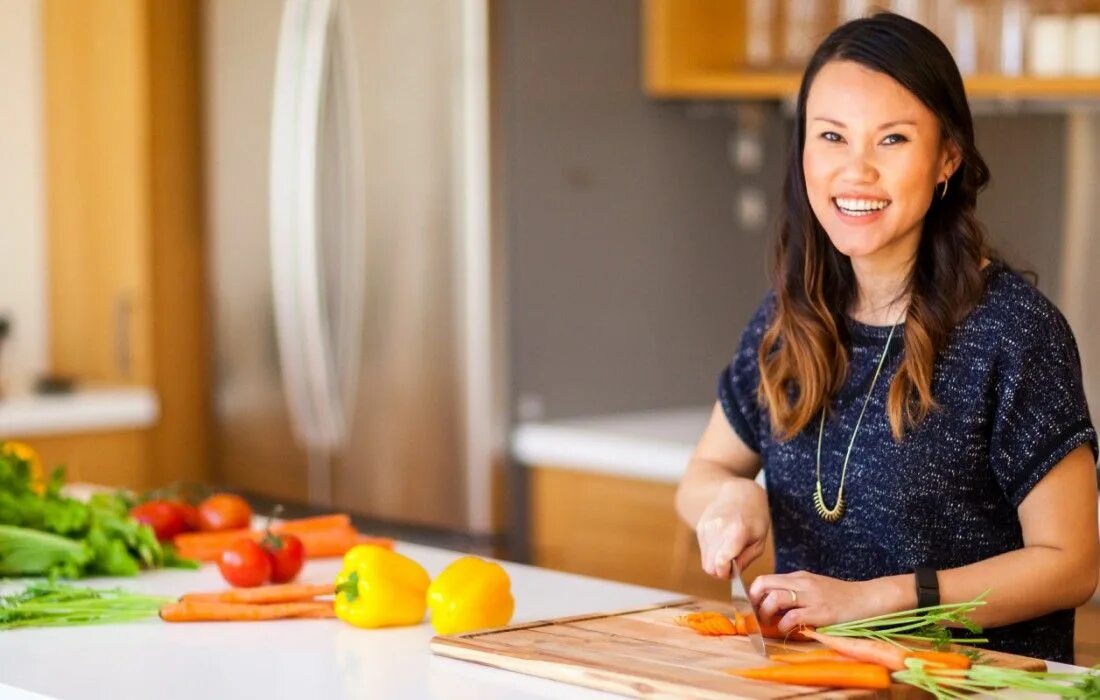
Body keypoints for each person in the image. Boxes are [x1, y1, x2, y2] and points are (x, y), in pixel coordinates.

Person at [675, 12, 1098, 663]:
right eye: (832, 137)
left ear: (947, 158)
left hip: (971, 684)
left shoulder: (1014, 333)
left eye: (892, 140)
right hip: (821, 679)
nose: (857, 171)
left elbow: (1071, 564)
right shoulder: (790, 317)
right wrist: (730, 500)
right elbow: (706, 470)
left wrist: (878, 599)